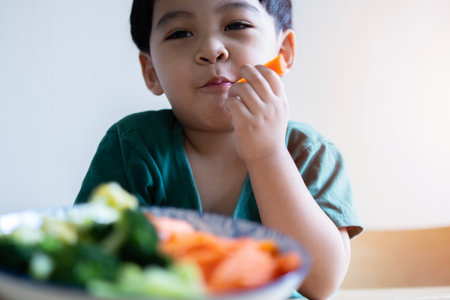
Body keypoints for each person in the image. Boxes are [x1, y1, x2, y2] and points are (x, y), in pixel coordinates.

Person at [75, 0, 363, 298]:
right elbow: (87, 263)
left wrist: (268, 153)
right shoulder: (132, 146)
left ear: (284, 52)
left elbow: (320, 282)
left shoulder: (310, 153)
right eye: (180, 33)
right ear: (151, 71)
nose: (212, 49)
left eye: (236, 25)